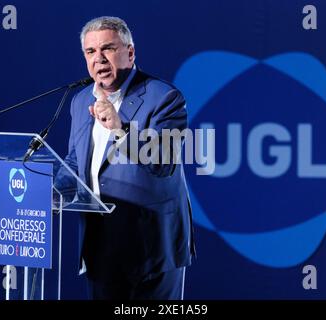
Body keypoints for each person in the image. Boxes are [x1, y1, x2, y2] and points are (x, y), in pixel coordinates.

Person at [56, 16, 195, 300]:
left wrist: (120, 129)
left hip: (151, 250)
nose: (99, 59)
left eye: (108, 48)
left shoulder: (165, 98)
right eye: (90, 52)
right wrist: (49, 192)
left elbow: (164, 160)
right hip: (100, 246)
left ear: (130, 53)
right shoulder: (82, 100)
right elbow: (76, 161)